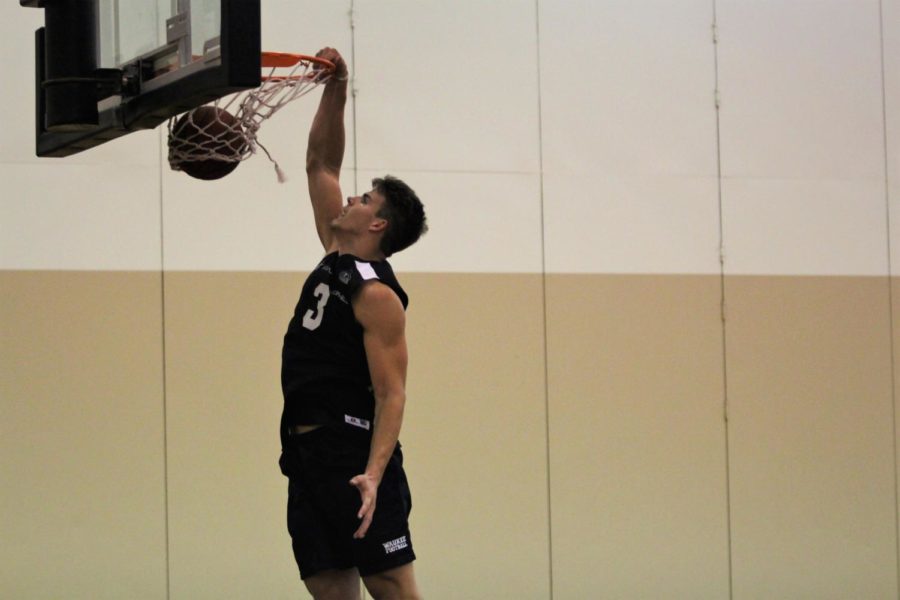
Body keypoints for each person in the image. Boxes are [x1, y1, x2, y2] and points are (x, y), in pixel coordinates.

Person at [278, 46, 428, 600]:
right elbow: (321, 163)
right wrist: (334, 88)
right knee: (327, 586)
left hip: (352, 453)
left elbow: (392, 394)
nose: (351, 197)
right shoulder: (333, 253)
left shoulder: (376, 291)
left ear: (378, 222)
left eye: (363, 198)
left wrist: (374, 472)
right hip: (305, 453)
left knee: (391, 586)